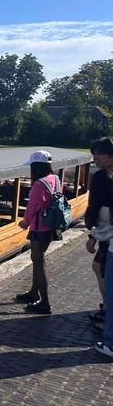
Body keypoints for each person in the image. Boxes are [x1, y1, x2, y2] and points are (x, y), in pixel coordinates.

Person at [16, 150, 62, 314]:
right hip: (51, 225)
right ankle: (33, 292)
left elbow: (33, 206)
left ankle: (44, 302)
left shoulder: (38, 184)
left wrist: (24, 222)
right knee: (37, 258)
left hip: (39, 227)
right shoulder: (55, 178)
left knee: (38, 262)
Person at [85, 137, 113, 332]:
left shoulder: (102, 177)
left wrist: (93, 234)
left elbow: (99, 207)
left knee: (101, 269)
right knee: (99, 268)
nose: (96, 157)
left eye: (100, 153)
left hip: (108, 234)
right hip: (107, 232)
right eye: (94, 154)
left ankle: (107, 312)